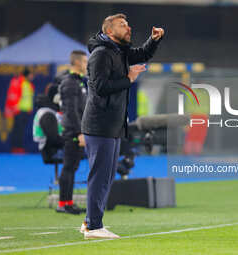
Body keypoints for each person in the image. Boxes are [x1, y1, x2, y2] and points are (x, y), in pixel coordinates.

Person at [80, 13, 164, 239]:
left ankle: (90, 222)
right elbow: (100, 87)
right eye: (122, 25)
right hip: (100, 124)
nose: (128, 28)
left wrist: (153, 40)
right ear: (109, 31)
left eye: (128, 24)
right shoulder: (101, 54)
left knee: (107, 176)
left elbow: (142, 54)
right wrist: (129, 78)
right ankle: (94, 227)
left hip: (113, 125)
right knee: (100, 176)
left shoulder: (119, 51)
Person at [56, 50, 88, 215]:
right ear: (76, 63)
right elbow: (71, 111)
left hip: (77, 130)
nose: (86, 65)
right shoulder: (70, 83)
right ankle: (63, 203)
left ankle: (68, 202)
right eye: (84, 61)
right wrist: (79, 132)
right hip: (72, 132)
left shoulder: (79, 82)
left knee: (72, 167)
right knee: (68, 167)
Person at [5, 68, 35, 153]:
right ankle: (16, 148)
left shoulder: (29, 84)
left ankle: (19, 147)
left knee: (21, 131)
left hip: (26, 111)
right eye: (31, 74)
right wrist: (14, 108)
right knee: (17, 130)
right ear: (27, 75)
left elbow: (29, 98)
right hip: (19, 111)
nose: (33, 76)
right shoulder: (19, 82)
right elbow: (13, 95)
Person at [33, 83, 64, 164]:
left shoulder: (51, 111)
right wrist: (73, 142)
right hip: (51, 151)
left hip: (53, 148)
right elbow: (53, 138)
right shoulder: (48, 114)